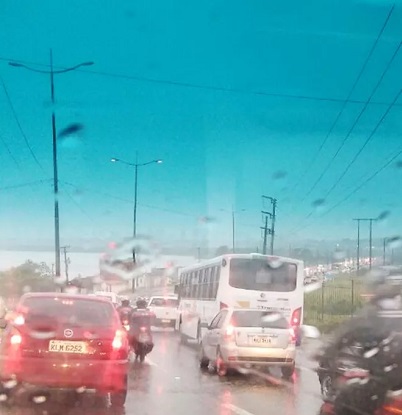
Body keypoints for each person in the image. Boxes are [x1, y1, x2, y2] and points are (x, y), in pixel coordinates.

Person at [316, 269, 402, 415]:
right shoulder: (396, 307)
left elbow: (345, 334)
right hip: (392, 379)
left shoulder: (373, 312)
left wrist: (324, 352)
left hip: (385, 380)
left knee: (342, 398)